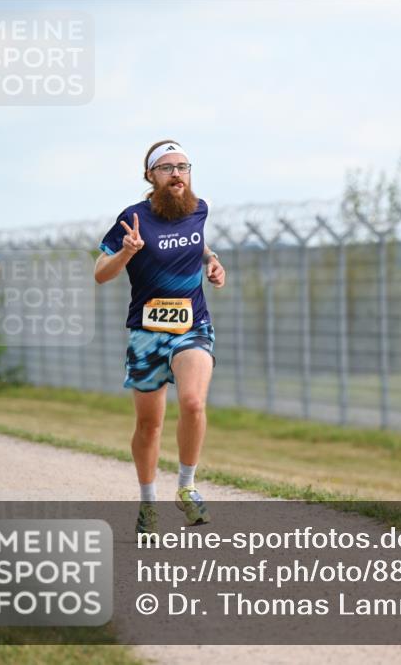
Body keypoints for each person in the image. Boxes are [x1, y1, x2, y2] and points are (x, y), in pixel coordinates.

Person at [94, 139, 225, 536]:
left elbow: (196, 243)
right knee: (149, 425)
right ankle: (147, 502)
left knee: (192, 401)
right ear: (150, 175)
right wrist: (126, 253)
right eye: (167, 168)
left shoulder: (198, 210)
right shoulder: (132, 218)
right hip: (147, 333)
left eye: (183, 167)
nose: (177, 174)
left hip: (192, 326)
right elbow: (100, 272)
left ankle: (186, 487)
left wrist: (214, 262)